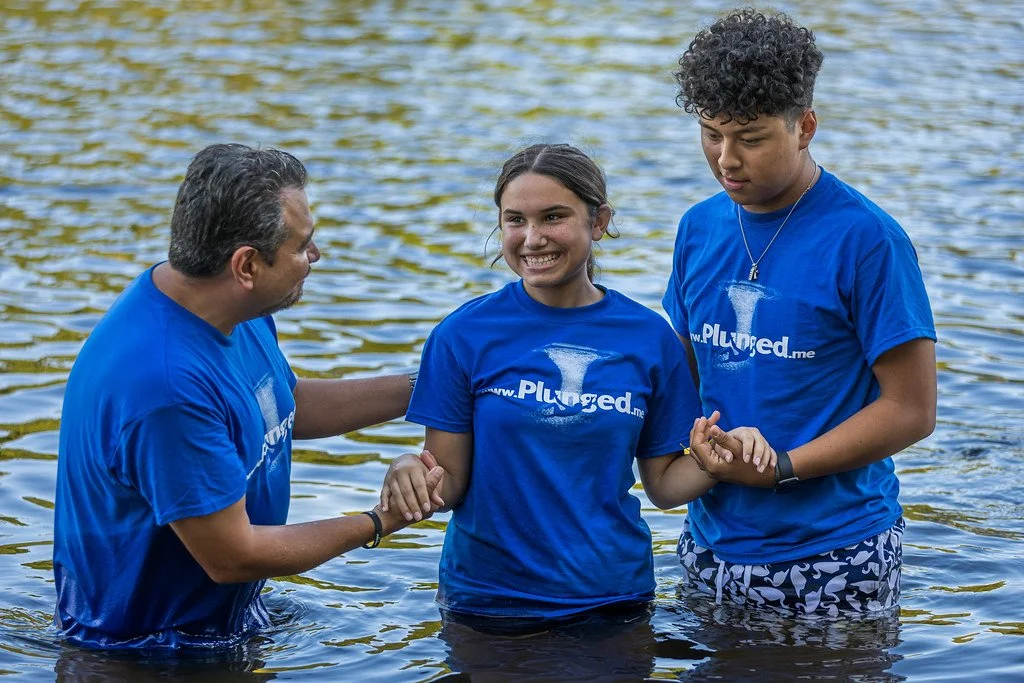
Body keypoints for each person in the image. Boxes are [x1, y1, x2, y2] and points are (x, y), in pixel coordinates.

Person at [52, 143, 444, 649]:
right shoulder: (166, 387)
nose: (315, 257)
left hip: (217, 626)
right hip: (143, 650)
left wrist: (428, 388)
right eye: (303, 246)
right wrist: (379, 520)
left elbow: (287, 404)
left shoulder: (224, 304)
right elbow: (232, 557)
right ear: (246, 265)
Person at [379, 143, 773, 632]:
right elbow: (450, 480)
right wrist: (407, 469)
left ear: (599, 221)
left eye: (553, 217)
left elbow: (665, 487)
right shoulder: (462, 334)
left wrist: (718, 466)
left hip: (612, 598)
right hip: (488, 601)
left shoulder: (649, 338)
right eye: (514, 220)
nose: (532, 238)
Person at [663, 8, 937, 616]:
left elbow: (912, 411)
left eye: (751, 138)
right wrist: (694, 447)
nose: (726, 159)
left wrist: (782, 468)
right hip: (710, 541)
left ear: (805, 125)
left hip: (836, 551)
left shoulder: (868, 240)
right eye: (711, 133)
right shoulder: (698, 228)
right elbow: (681, 373)